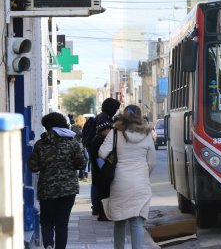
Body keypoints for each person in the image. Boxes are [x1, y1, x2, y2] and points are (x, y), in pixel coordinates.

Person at [99, 104, 155, 249]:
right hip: (141, 182)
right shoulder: (147, 134)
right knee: (137, 222)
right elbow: (152, 162)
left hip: (120, 181)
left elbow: (102, 153)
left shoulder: (115, 133)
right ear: (140, 116)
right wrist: (144, 174)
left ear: (123, 115)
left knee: (120, 220)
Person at [28, 112, 86, 249]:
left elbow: (33, 167)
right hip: (68, 190)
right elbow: (81, 164)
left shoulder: (40, 144)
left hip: (47, 189)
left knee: (47, 221)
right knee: (62, 223)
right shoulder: (73, 144)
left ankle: (48, 244)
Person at [83, 98, 121, 217]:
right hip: (99, 154)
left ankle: (97, 207)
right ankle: (98, 208)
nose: (116, 111)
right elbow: (105, 136)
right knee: (100, 181)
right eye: (115, 109)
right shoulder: (104, 119)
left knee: (98, 180)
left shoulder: (101, 117)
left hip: (97, 152)